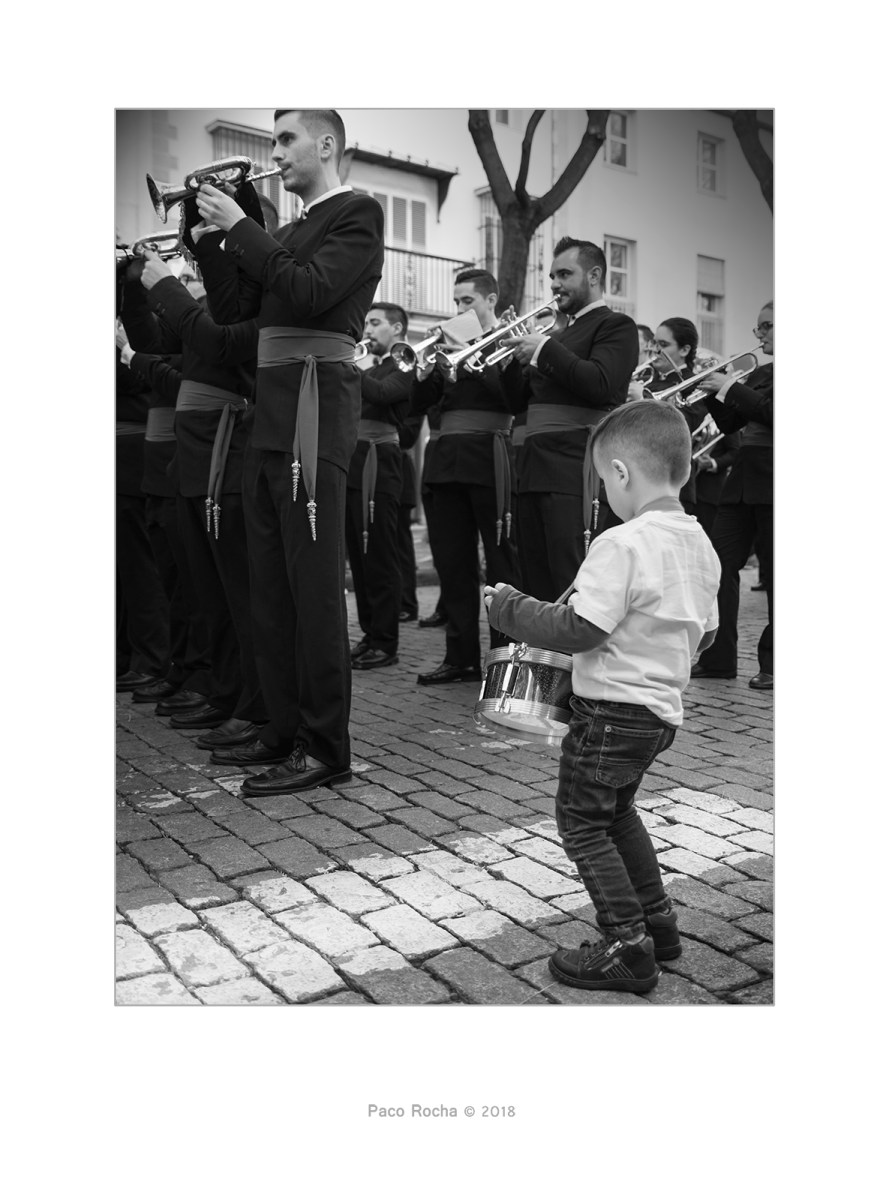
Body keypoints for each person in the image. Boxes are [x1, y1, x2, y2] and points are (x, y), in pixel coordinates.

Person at [485, 400, 720, 992]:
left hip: (610, 712)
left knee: (581, 822)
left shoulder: (622, 542)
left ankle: (628, 945)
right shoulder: (701, 544)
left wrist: (509, 607)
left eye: (602, 481)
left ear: (620, 473)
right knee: (616, 814)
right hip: (657, 714)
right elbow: (708, 632)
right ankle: (660, 928)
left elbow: (579, 628)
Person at [194, 108, 384, 793]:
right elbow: (234, 326)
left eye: (284, 140)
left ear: (325, 144)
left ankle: (325, 746)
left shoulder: (356, 212)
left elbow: (307, 292)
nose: (275, 152)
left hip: (313, 404)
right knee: (268, 588)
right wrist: (212, 242)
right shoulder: (291, 228)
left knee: (310, 589)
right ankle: (279, 728)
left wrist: (245, 228)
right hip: (270, 410)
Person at [499, 237, 638, 601]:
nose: (555, 284)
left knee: (570, 578)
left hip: (575, 468)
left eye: (565, 274)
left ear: (594, 275)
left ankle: (579, 659)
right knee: (535, 580)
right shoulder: (556, 335)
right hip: (533, 467)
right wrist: (512, 365)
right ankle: (546, 658)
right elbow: (517, 403)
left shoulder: (615, 326)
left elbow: (602, 386)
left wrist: (544, 350)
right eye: (551, 276)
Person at [412, 268, 522, 685]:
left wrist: (470, 355)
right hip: (446, 462)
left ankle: (505, 658)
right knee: (453, 565)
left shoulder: (507, 339)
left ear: (490, 301)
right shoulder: (447, 344)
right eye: (456, 301)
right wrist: (423, 373)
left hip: (489, 457)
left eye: (467, 301)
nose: (459, 309)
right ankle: (460, 658)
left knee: (500, 563)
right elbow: (418, 405)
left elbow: (512, 395)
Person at [691, 302, 774, 690]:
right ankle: (718, 659)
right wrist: (710, 388)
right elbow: (729, 423)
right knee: (718, 568)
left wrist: (729, 385)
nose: (760, 336)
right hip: (742, 483)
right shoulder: (762, 373)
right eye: (759, 328)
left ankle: (773, 664)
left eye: (767, 326)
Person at [347, 303, 413, 670]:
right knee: (359, 556)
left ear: (397, 328)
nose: (368, 328)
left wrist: (349, 365)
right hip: (355, 458)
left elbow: (384, 394)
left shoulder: (404, 363)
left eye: (375, 322)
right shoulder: (368, 364)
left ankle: (386, 642)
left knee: (381, 556)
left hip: (381, 460)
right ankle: (370, 634)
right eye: (367, 321)